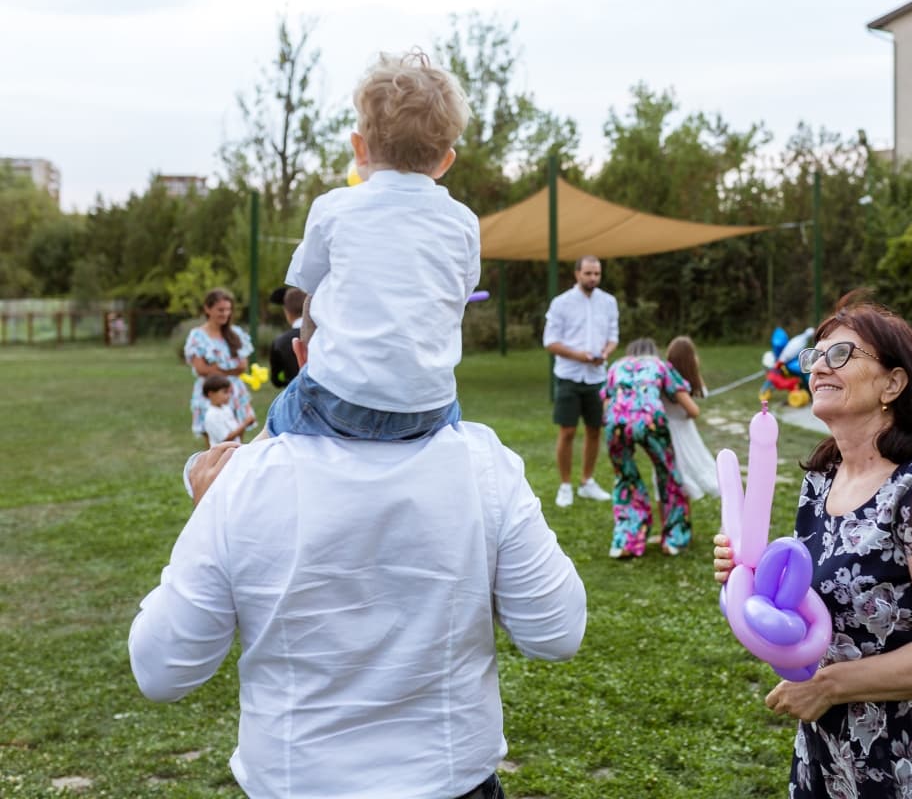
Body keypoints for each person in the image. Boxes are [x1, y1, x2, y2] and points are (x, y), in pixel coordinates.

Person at [133, 296, 587, 799]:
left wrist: (207, 517)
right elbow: (557, 631)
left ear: (303, 356)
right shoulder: (484, 465)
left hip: (299, 781)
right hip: (449, 780)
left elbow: (162, 668)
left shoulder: (243, 483)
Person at [713, 294, 912, 797]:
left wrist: (829, 686)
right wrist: (748, 581)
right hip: (830, 745)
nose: (819, 366)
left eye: (840, 355)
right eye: (815, 356)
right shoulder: (821, 480)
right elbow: (815, 602)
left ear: (893, 382)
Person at [268, 49, 479, 442]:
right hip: (429, 408)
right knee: (453, 431)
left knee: (280, 419)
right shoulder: (464, 222)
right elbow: (457, 296)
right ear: (445, 161)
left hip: (340, 397)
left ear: (359, 147)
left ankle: (236, 472)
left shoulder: (334, 207)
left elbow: (307, 285)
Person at [602, 338, 699, 559]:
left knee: (625, 479)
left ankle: (625, 541)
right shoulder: (659, 365)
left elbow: (606, 404)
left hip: (615, 421)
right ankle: (675, 539)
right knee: (668, 476)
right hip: (650, 420)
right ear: (654, 352)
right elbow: (692, 410)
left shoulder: (616, 366)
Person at [543, 255, 620, 508]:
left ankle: (587, 482)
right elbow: (550, 342)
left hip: (597, 377)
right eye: (588, 273)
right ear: (577, 274)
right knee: (567, 431)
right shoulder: (561, 303)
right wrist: (580, 356)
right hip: (569, 375)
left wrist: (605, 354)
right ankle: (565, 485)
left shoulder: (608, 302)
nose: (593, 278)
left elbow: (613, 337)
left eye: (596, 274)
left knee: (595, 430)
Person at [184, 288, 255, 444]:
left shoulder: (235, 333)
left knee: (236, 443)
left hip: (234, 391)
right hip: (211, 390)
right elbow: (201, 369)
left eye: (228, 310)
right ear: (208, 309)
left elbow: (242, 366)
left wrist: (217, 368)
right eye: (220, 310)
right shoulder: (198, 335)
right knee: (214, 444)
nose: (225, 314)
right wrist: (230, 370)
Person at [663, 335, 720, 499]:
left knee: (693, 460)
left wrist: (693, 370)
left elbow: (703, 394)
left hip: (681, 426)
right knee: (685, 461)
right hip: (677, 427)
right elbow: (694, 411)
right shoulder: (674, 384)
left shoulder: (677, 378)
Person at [201, 375, 256, 445]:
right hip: (222, 454)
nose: (229, 395)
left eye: (230, 392)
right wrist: (245, 424)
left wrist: (245, 424)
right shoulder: (212, 415)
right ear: (211, 394)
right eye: (225, 392)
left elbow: (236, 431)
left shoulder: (226, 408)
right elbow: (226, 438)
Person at [268, 286, 306, 388]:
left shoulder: (279, 342)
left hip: (296, 396)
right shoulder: (324, 335)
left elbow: (276, 380)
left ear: (286, 311)